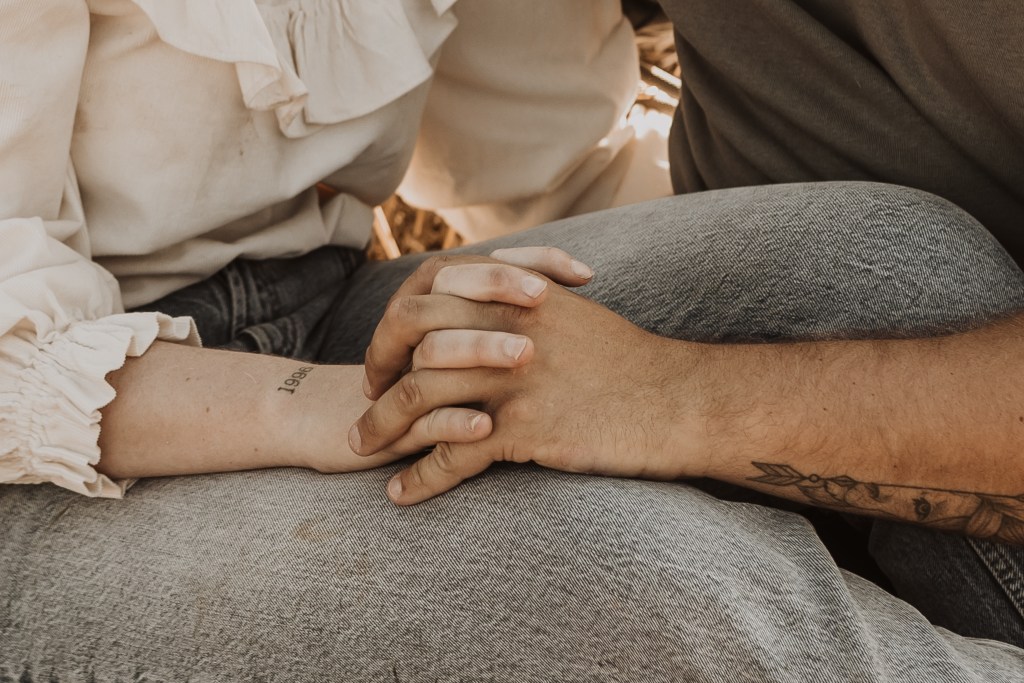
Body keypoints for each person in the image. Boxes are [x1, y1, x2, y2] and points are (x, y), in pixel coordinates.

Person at [2, 3, 1023, 683]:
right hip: (55, 456)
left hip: (329, 304)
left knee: (892, 271)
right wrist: (334, 402)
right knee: (631, 578)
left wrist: (644, 363)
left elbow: (542, 156)